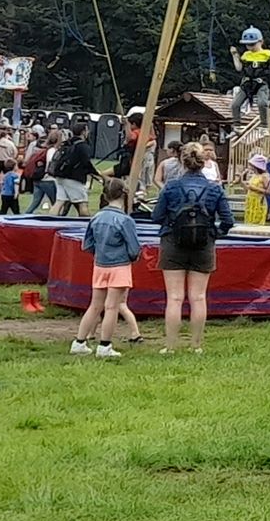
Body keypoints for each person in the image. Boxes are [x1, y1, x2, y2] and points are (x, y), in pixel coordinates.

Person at [150, 141, 235, 354]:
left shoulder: (170, 187)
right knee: (198, 297)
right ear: (204, 161)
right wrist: (214, 234)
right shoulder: (214, 188)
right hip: (203, 244)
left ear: (182, 160)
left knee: (175, 297)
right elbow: (228, 220)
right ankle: (196, 346)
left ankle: (170, 346)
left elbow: (156, 217)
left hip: (172, 243)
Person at [72, 178, 145, 357]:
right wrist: (131, 257)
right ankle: (105, 345)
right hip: (119, 266)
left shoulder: (96, 217)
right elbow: (134, 248)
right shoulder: (125, 220)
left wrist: (100, 253)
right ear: (125, 194)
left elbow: (86, 244)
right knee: (112, 307)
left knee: (94, 306)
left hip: (100, 265)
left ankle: (79, 341)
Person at [230, 27, 270, 125]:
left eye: (252, 44)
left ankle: (264, 123)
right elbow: (239, 68)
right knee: (235, 104)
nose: (250, 46)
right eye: (248, 44)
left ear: (261, 42)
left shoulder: (266, 53)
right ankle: (236, 123)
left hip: (261, 83)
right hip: (247, 83)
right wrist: (234, 55)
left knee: (262, 103)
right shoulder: (246, 55)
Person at [51, 123, 97, 218]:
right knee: (82, 203)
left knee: (59, 202)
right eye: (87, 130)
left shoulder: (67, 143)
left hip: (60, 176)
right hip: (73, 178)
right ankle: (85, 225)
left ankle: (48, 223)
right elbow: (86, 163)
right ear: (83, 132)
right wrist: (97, 174)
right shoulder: (83, 146)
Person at [112, 106, 145, 179]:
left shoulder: (137, 132)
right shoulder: (142, 132)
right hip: (127, 162)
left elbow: (130, 138)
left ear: (134, 124)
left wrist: (127, 125)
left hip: (129, 163)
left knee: (104, 174)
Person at [242, 152, 270, 224]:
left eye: (251, 165)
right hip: (251, 201)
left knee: (256, 222)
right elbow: (248, 188)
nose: (250, 166)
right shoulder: (254, 175)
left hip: (259, 202)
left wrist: (254, 188)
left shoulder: (265, 176)